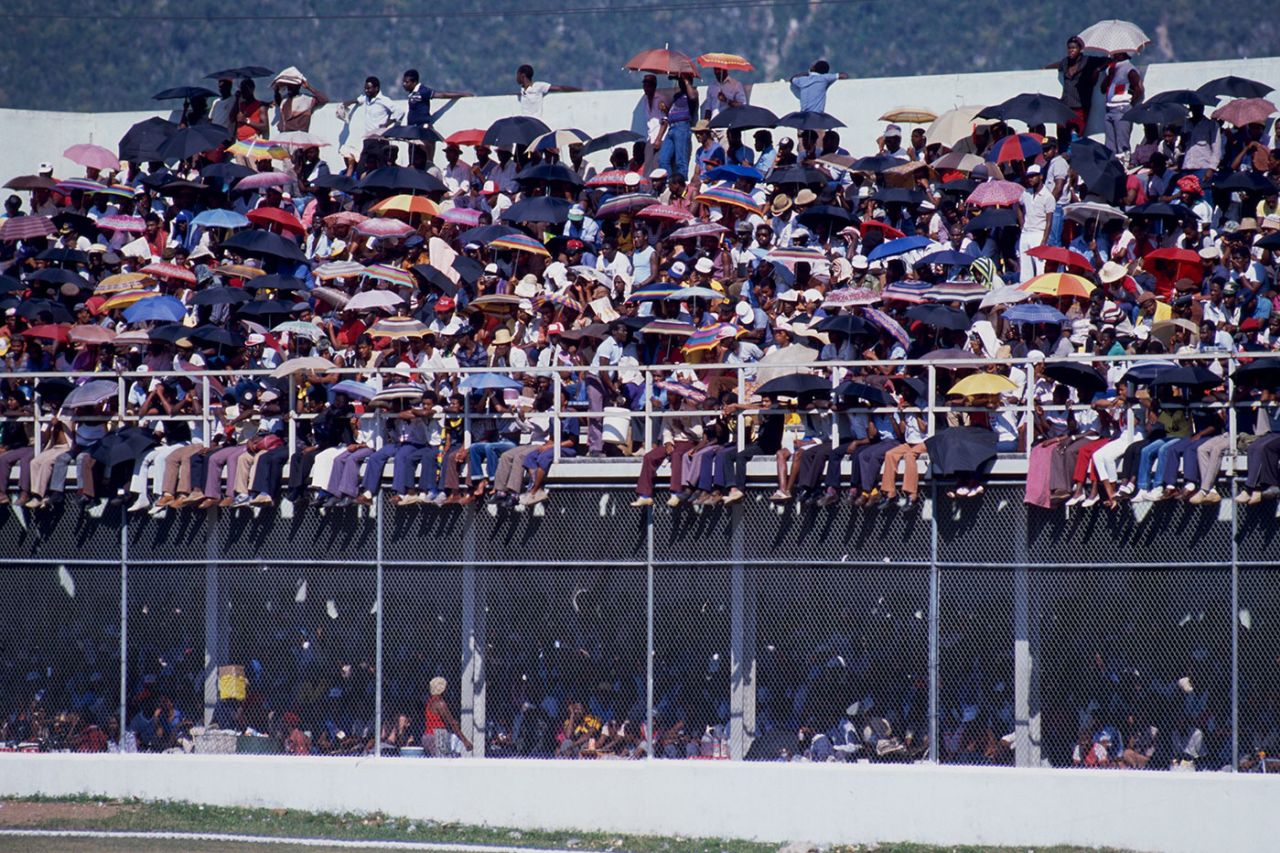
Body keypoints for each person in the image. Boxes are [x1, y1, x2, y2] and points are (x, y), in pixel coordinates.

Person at [1057, 36, 1104, 137]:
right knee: (1062, 135)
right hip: (1065, 105)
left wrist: (1098, 70)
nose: (1071, 50)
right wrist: (1045, 68)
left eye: (1074, 48)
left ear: (1080, 49)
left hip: (1080, 106)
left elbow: (1107, 60)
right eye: (1069, 48)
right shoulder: (1065, 62)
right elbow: (1057, 65)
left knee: (1076, 135)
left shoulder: (1088, 61)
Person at [1100, 53, 1143, 158]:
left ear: (1123, 54)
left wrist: (1130, 105)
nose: (1113, 55)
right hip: (1110, 108)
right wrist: (1109, 75)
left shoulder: (1129, 69)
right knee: (1110, 145)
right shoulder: (1111, 68)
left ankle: (1124, 165)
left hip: (1122, 108)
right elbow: (1102, 89)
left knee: (1122, 143)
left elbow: (1139, 89)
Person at [657, 73, 698, 180]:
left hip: (682, 127)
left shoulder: (692, 92)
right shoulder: (677, 96)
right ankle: (670, 183)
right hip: (672, 127)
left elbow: (693, 97)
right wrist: (665, 109)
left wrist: (686, 80)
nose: (680, 82)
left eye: (681, 80)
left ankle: (681, 185)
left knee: (681, 162)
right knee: (663, 159)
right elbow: (671, 112)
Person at [401, 68, 472, 128]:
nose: (404, 84)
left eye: (407, 82)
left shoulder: (423, 91)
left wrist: (463, 94)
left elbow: (442, 95)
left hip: (422, 127)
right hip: (412, 127)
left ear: (414, 82)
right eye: (403, 82)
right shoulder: (411, 93)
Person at [423, 676, 471, 756]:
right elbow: (452, 723)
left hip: (427, 735)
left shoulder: (430, 702)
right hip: (438, 736)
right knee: (442, 763)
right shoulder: (440, 703)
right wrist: (465, 741)